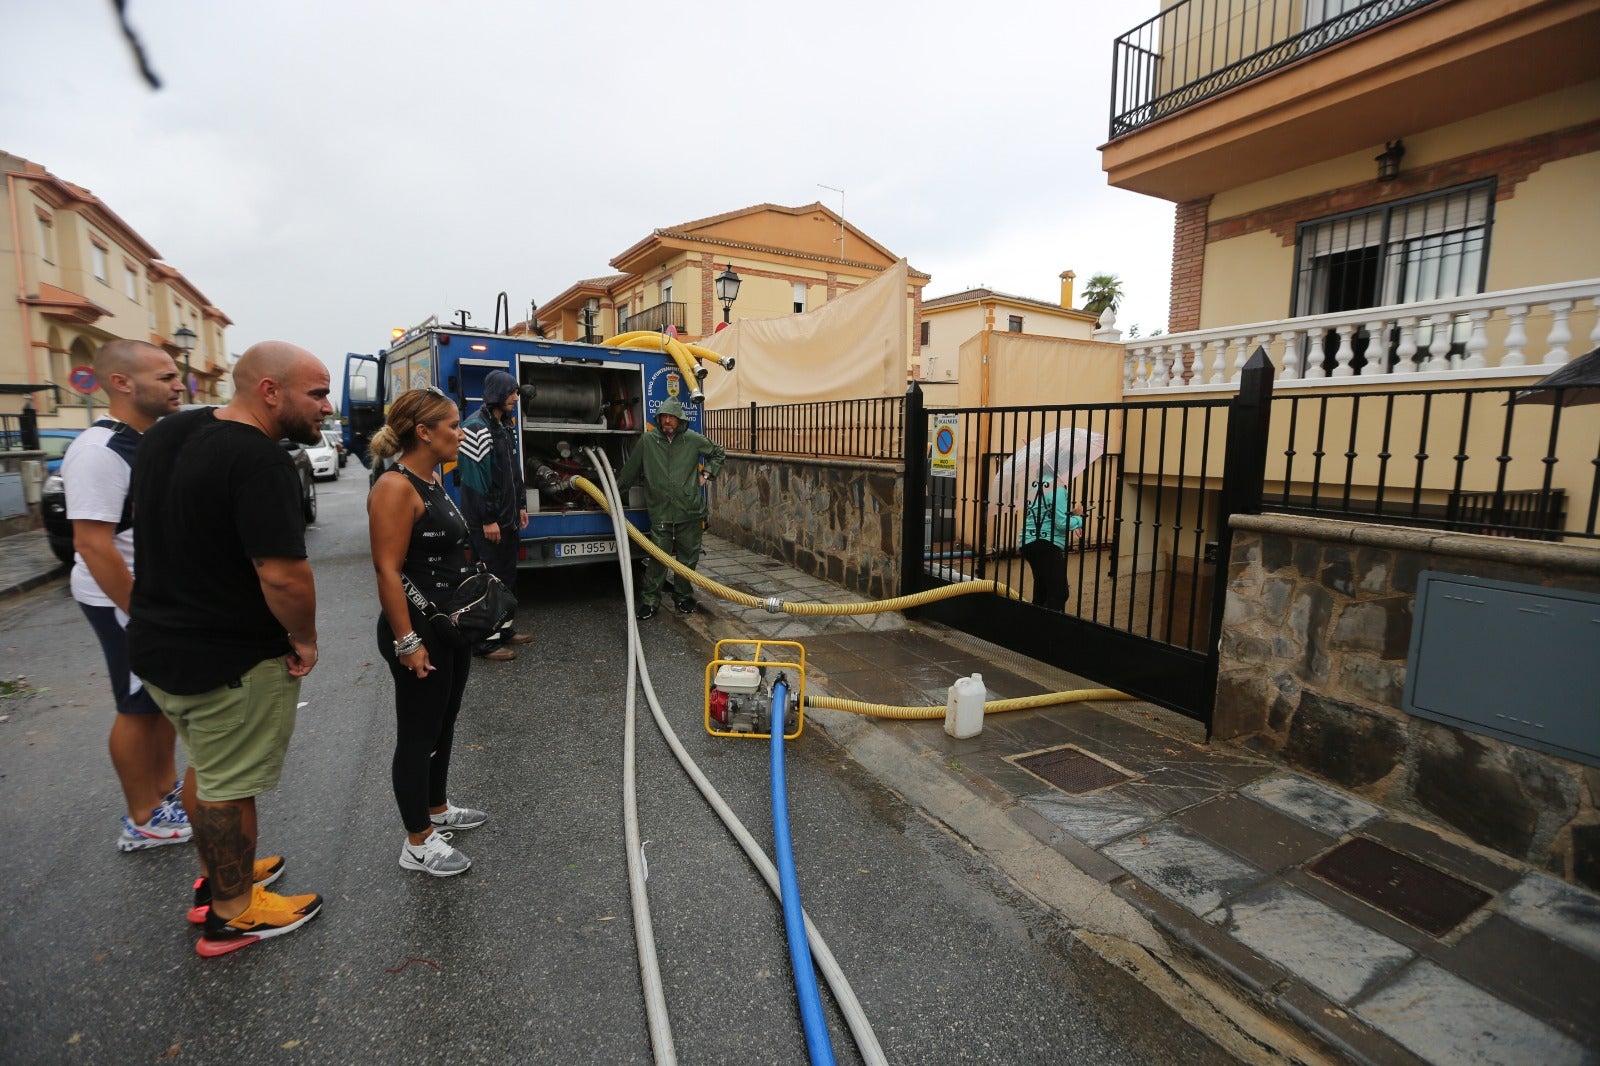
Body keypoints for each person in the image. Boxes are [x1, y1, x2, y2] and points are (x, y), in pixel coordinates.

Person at [127, 341, 331, 954]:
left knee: (208, 765)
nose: (327, 407)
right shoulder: (260, 460)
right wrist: (304, 638)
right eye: (316, 393)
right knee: (227, 784)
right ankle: (234, 910)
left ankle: (222, 875)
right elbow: (283, 576)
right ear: (270, 390)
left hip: (159, 644)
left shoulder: (169, 433)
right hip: (228, 661)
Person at [62, 339, 190, 852]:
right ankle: (142, 818)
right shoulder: (99, 451)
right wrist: (142, 613)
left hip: (153, 596)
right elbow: (92, 544)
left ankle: (163, 792)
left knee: (158, 700)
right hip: (121, 598)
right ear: (121, 383)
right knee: (137, 704)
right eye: (165, 377)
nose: (179, 384)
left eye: (176, 375)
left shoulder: (146, 440)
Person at [367, 387, 487, 878]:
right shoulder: (394, 487)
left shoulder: (432, 479)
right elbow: (387, 569)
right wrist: (407, 641)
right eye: (453, 425)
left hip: (448, 627)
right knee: (418, 734)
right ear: (423, 432)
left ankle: (437, 809)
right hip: (417, 630)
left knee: (444, 721)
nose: (461, 433)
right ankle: (416, 840)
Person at [616, 397, 725, 620]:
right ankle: (650, 601)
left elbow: (718, 452)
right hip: (661, 511)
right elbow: (630, 470)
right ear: (659, 419)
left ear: (680, 420)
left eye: (672, 417)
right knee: (658, 558)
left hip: (690, 510)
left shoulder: (692, 439)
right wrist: (613, 493)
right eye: (664, 416)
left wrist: (706, 474)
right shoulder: (648, 441)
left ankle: (683, 597)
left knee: (688, 559)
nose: (667, 420)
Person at [457, 370, 530, 660]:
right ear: (497, 394)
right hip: (488, 524)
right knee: (488, 582)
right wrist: (488, 519)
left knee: (506, 580)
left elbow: (513, 472)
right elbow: (475, 482)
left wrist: (521, 505)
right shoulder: (476, 428)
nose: (516, 398)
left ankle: (504, 631)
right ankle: (484, 644)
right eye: (512, 392)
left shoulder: (504, 424)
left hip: (507, 520)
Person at [1018, 478, 1084, 613]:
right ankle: (1043, 625)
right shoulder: (1057, 487)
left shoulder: (1036, 485)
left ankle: (1032, 624)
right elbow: (1061, 524)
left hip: (1030, 542)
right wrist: (1079, 519)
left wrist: (1072, 515)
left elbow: (1045, 515)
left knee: (1042, 594)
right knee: (1060, 593)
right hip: (1046, 544)